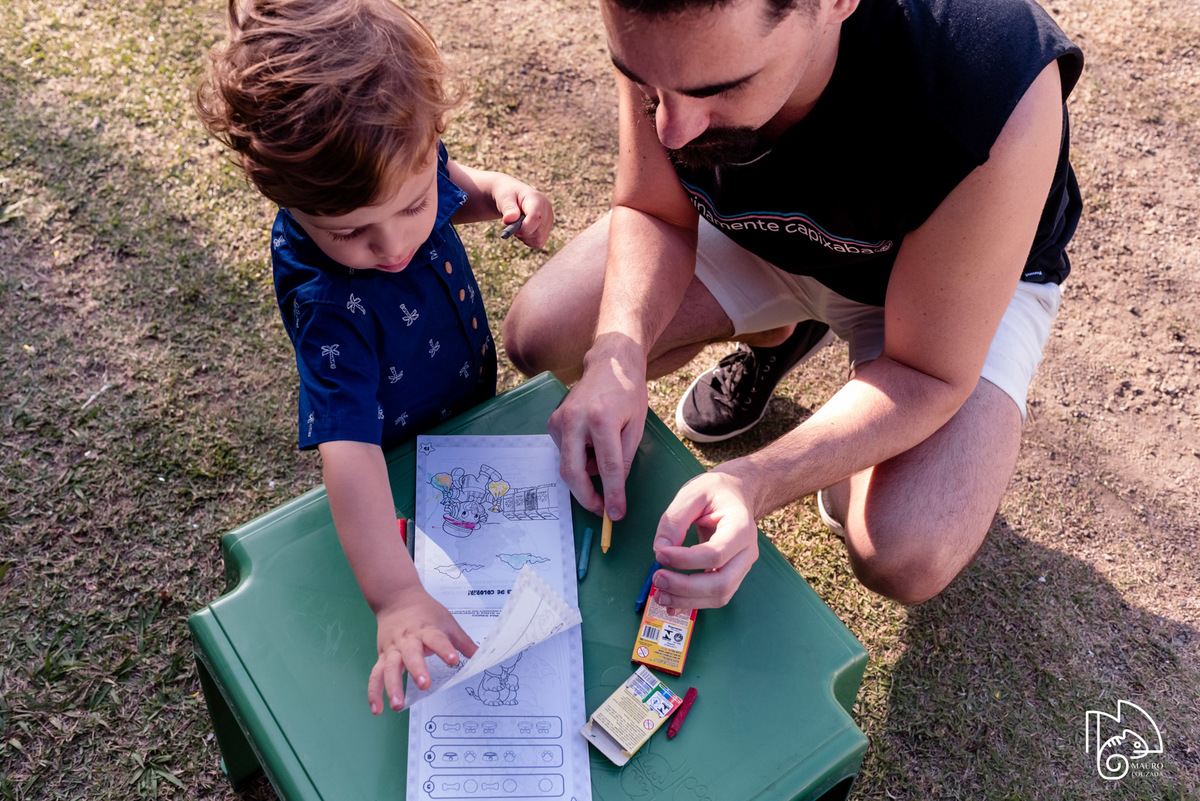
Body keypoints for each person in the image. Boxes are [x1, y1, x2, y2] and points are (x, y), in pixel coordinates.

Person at [503, 0, 1082, 609]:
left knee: (906, 546)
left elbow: (928, 373)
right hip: (760, 229)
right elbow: (653, 210)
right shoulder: (667, 42)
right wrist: (614, 356)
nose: (671, 130)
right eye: (646, 83)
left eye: (718, 88)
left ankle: (831, 389)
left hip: (937, 285)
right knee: (545, 338)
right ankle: (781, 334)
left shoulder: (991, 79)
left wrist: (756, 480)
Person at [196, 0, 553, 713]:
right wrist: (397, 596)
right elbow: (349, 455)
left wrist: (497, 193)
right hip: (398, 457)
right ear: (289, 203)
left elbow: (451, 185)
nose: (394, 248)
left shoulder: (402, 169)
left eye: (415, 204)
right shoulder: (330, 305)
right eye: (353, 231)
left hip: (463, 402)